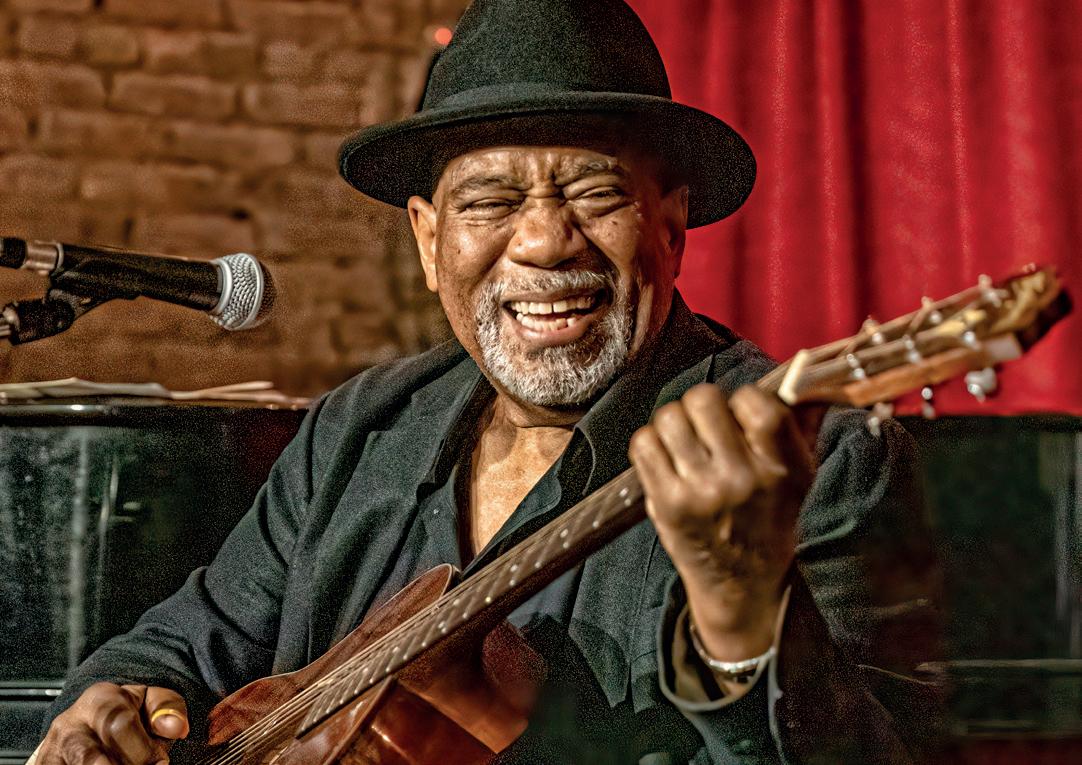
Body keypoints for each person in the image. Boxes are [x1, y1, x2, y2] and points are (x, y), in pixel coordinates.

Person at [33, 0, 942, 762]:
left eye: (594, 192)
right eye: (492, 202)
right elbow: (178, 645)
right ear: (430, 243)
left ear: (670, 228)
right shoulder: (358, 429)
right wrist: (113, 701)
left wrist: (748, 622)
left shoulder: (815, 460)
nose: (544, 242)